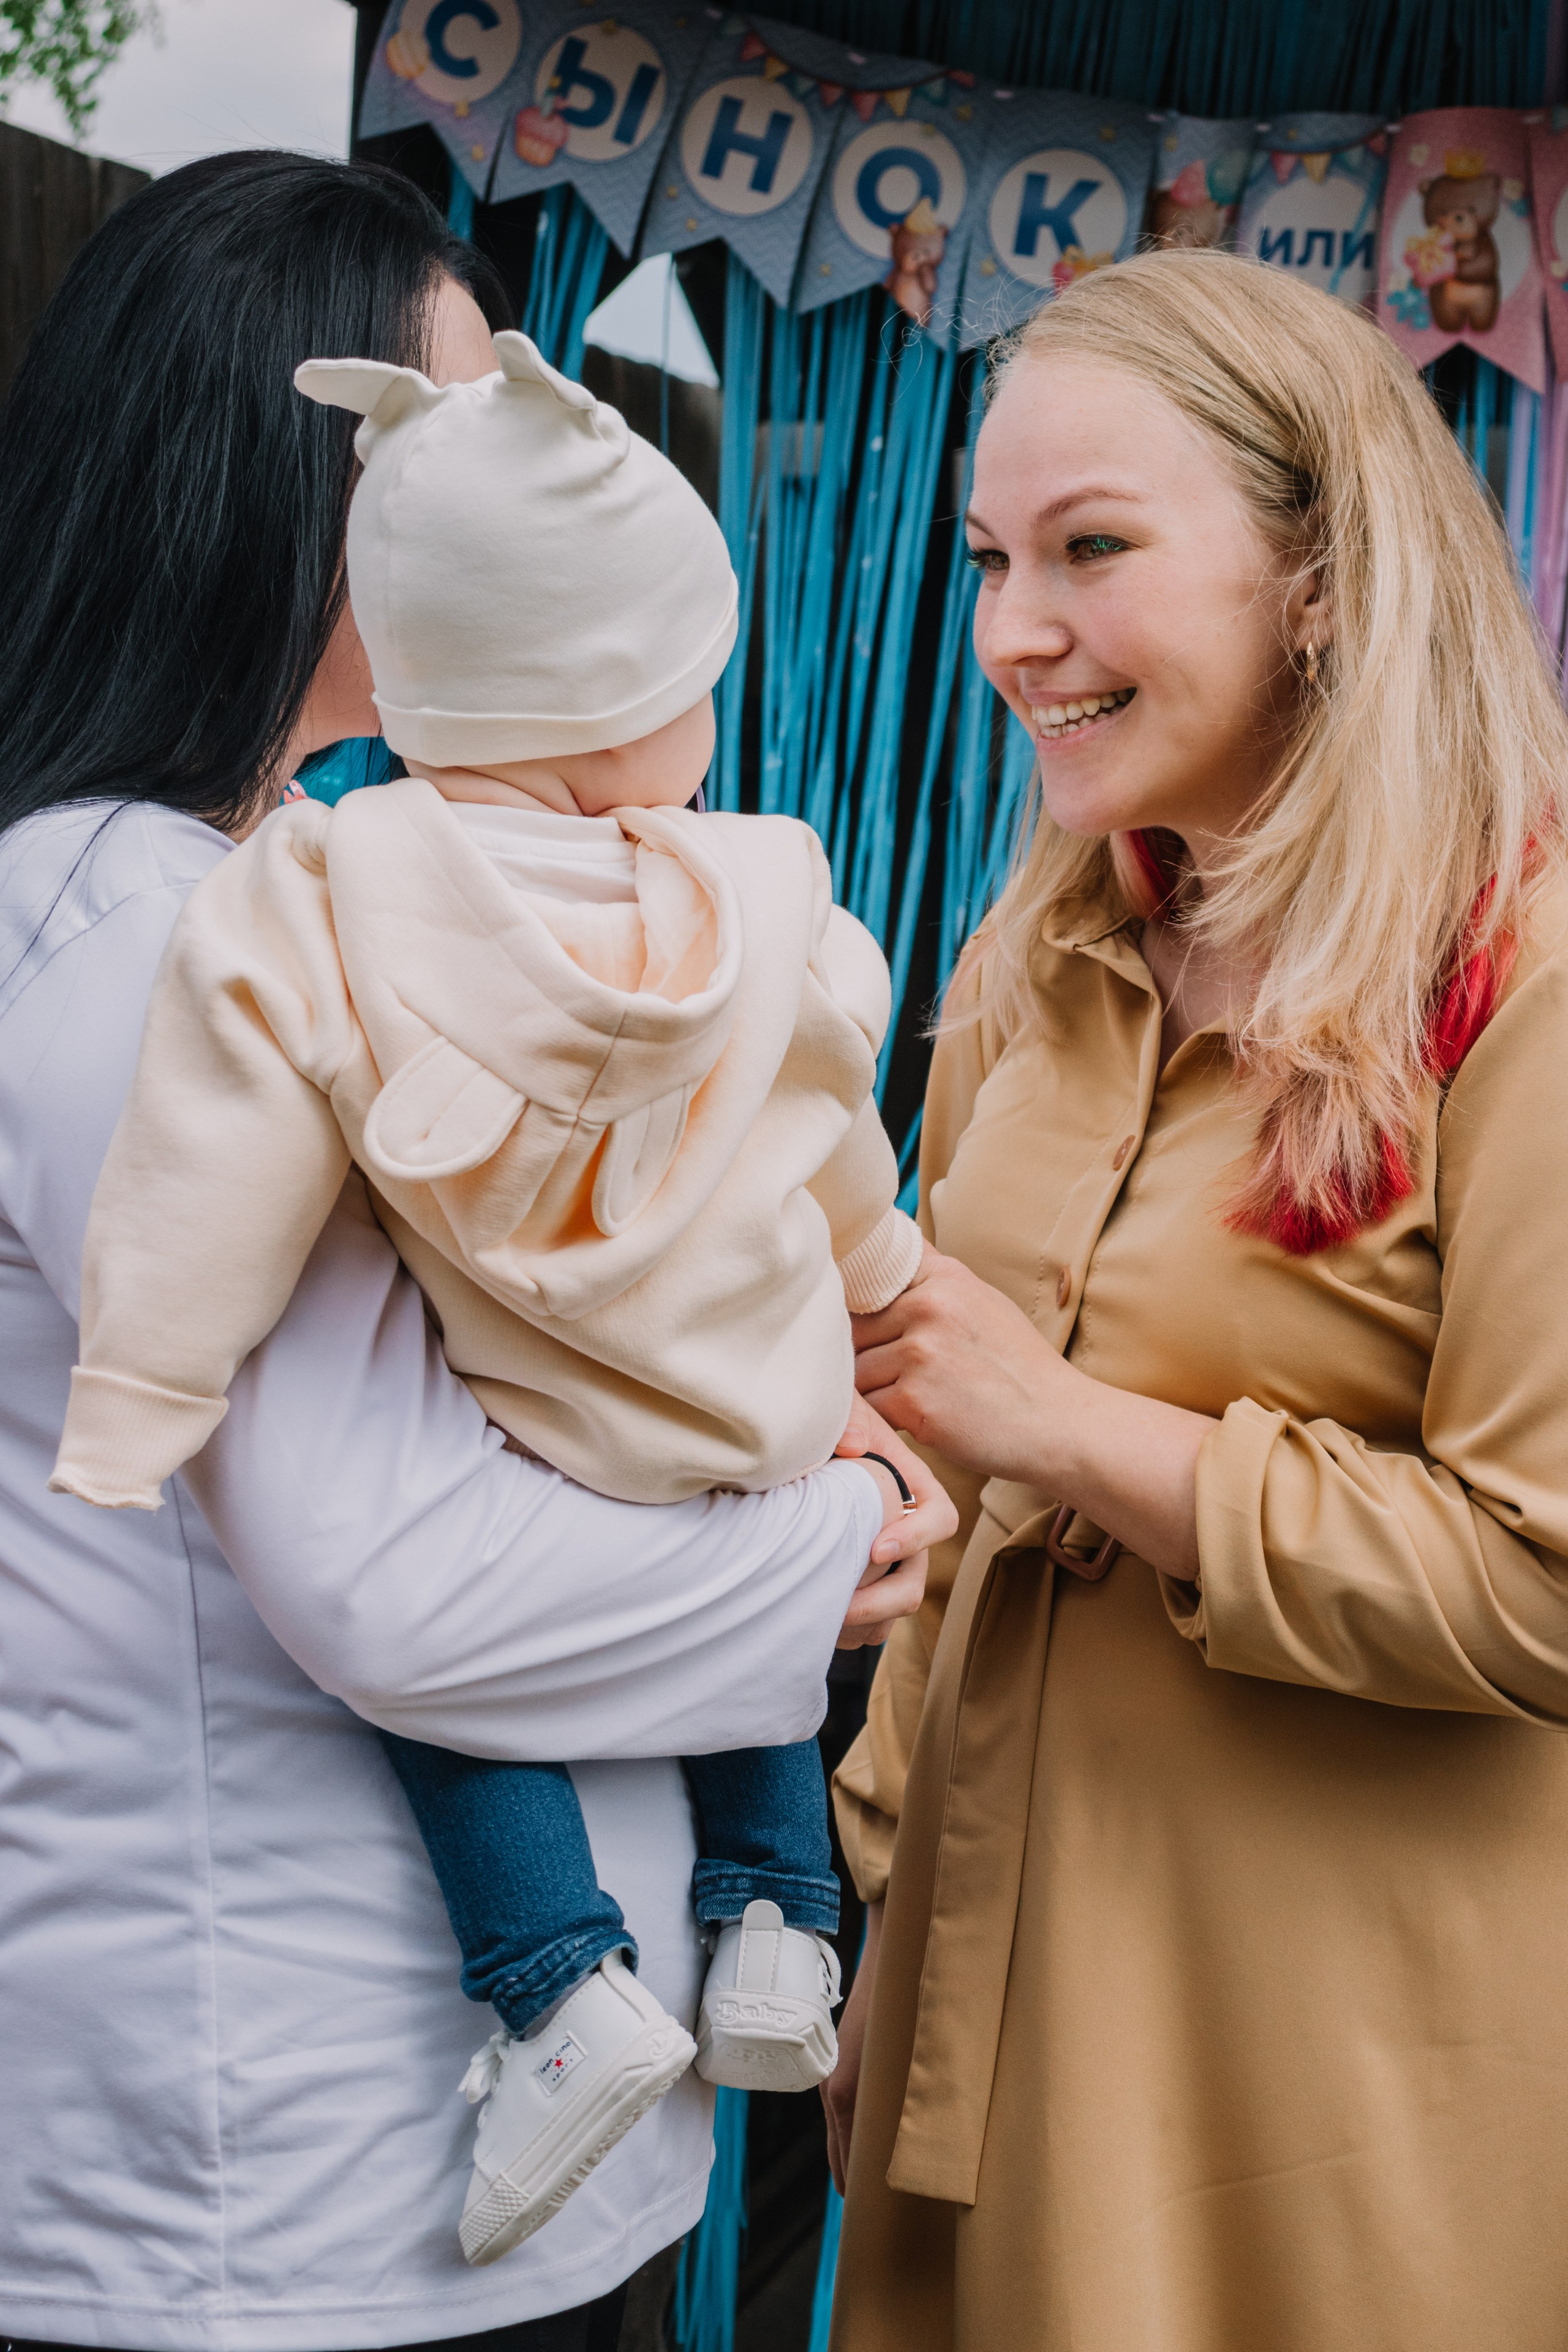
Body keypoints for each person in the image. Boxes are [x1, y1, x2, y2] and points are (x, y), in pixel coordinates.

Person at [0, 151, 949, 2352]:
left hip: (443, 2165)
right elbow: (394, 1576)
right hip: (303, 2188)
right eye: (464, 435)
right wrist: (832, 1541)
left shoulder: (283, 881)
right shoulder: (153, 931)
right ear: (293, 485)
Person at [822, 246, 1568, 2351]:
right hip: (988, 2020)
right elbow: (949, 1523)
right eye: (988, 557)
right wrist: (886, 1917)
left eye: (1093, 550)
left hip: (1343, 2085)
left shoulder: (1527, 971)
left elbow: (1548, 1581)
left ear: (1322, 576)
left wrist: (1065, 1429)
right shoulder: (1034, 964)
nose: (1009, 633)